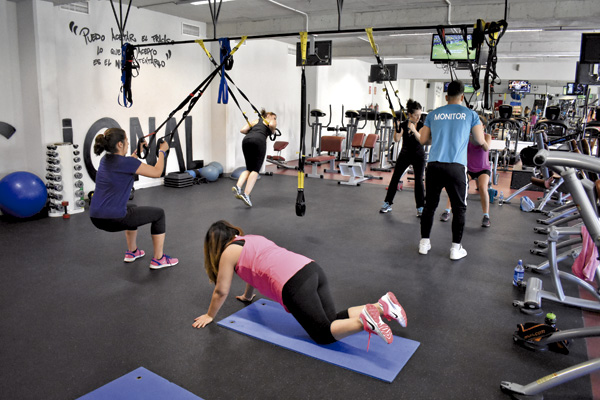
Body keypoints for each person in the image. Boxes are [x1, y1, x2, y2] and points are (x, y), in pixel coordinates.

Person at [193, 220, 407, 347]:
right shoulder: (251, 238)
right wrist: (248, 297)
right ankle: (382, 306)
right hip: (311, 269)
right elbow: (254, 271)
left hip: (293, 284)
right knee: (331, 320)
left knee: (323, 335)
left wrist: (210, 315)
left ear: (214, 245)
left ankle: (365, 322)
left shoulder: (227, 253)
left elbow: (221, 290)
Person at [417, 81, 489, 260]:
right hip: (456, 167)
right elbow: (480, 141)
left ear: (446, 96)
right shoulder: (471, 114)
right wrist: (486, 144)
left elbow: (423, 140)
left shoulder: (434, 114)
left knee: (430, 206)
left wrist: (440, 137)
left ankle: (424, 244)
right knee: (459, 208)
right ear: (462, 97)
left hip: (434, 165)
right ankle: (456, 249)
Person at [90, 128, 178, 269]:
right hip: (114, 218)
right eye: (126, 140)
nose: (128, 142)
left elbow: (126, 164)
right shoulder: (126, 164)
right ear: (120, 144)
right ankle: (159, 259)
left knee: (133, 208)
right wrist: (162, 152)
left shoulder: (105, 160)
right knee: (159, 214)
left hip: (95, 217)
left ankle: (132, 252)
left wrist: (138, 151)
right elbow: (157, 172)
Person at [440, 116, 493, 227]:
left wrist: (478, 136)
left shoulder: (487, 136)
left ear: (483, 126)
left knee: (483, 187)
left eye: (478, 124)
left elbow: (486, 148)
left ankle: (486, 216)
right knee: (456, 185)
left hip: (483, 169)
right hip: (468, 169)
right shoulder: (467, 137)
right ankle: (447, 211)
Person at [379, 100, 426, 217]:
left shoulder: (422, 125)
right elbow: (396, 139)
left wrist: (414, 130)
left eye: (420, 115)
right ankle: (387, 203)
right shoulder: (404, 124)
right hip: (405, 154)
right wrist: (397, 128)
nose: (418, 117)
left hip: (419, 155)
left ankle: (420, 207)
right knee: (395, 178)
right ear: (410, 114)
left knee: (419, 181)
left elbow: (421, 140)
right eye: (416, 115)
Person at [232, 110, 278, 207]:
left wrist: (254, 133)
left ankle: (238, 186)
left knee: (248, 169)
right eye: (274, 117)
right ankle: (246, 194)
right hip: (259, 141)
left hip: (246, 140)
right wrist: (272, 131)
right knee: (255, 170)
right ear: (268, 115)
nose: (275, 119)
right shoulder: (270, 120)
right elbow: (272, 126)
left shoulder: (256, 121)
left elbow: (243, 130)